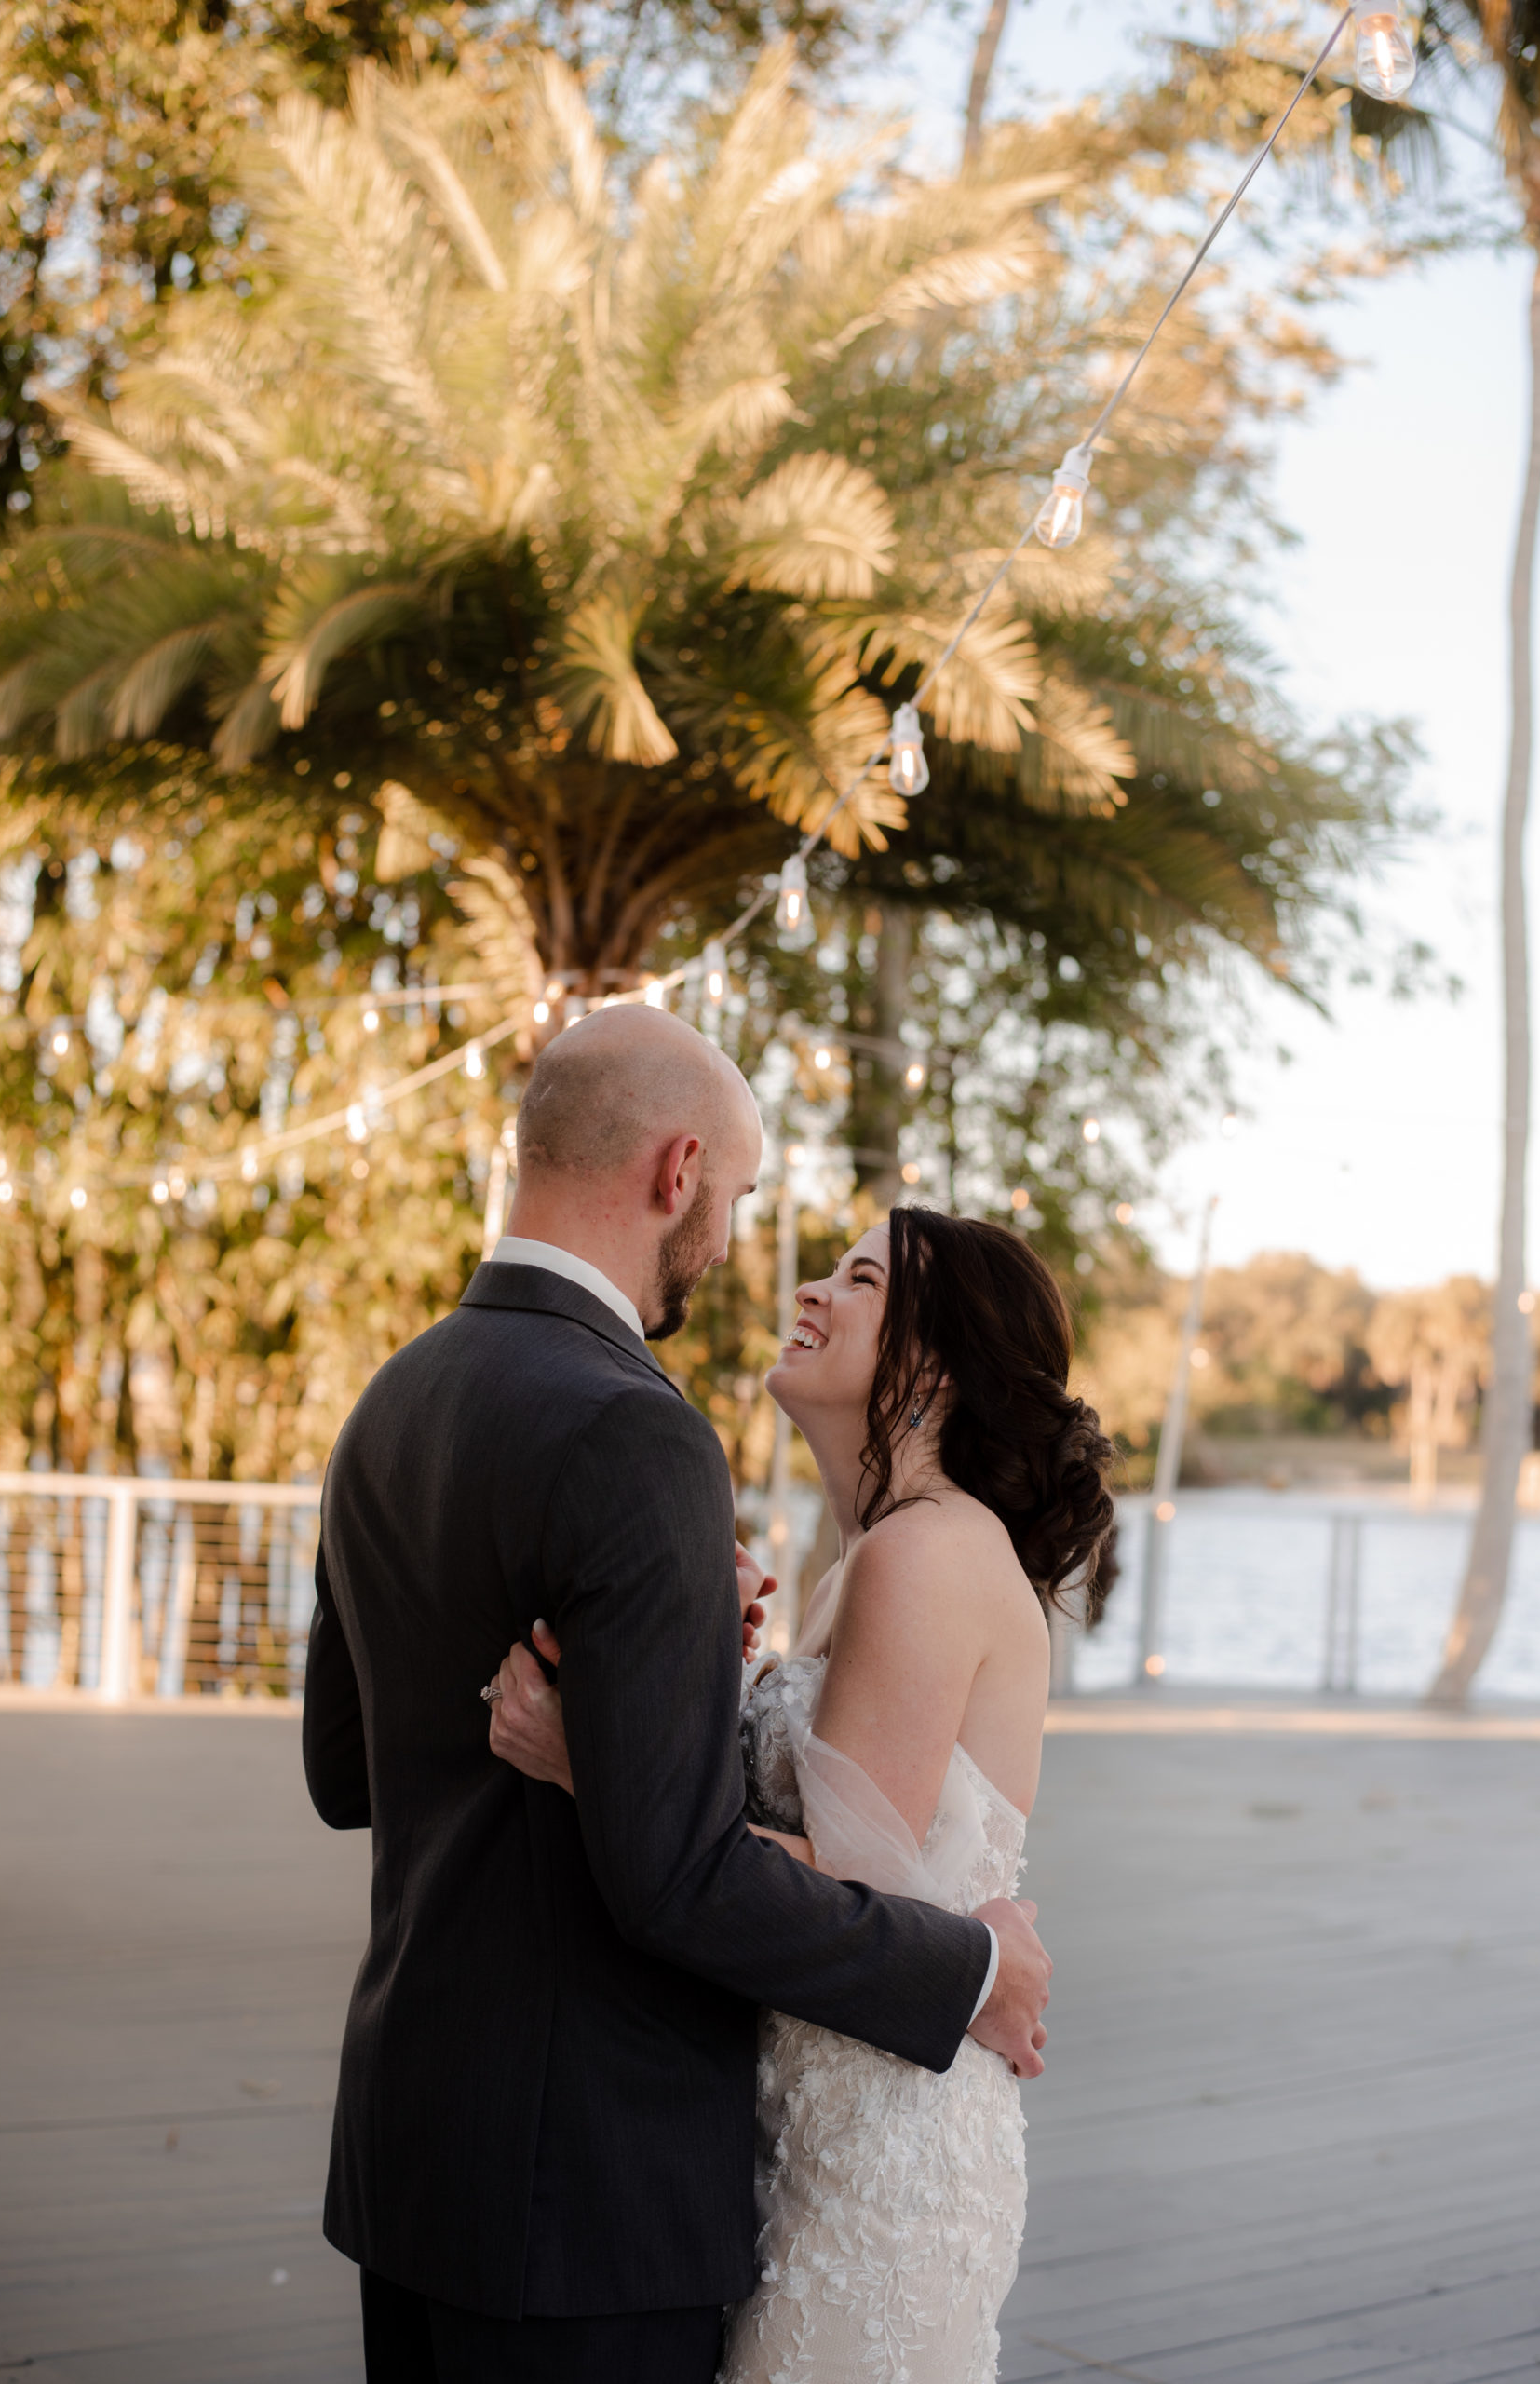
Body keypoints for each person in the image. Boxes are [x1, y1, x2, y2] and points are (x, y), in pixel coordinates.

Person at [302, 1003, 1053, 2384]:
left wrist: (667, 1681)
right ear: (676, 1172)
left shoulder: (389, 1404)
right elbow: (671, 1869)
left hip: (415, 2154)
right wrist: (973, 1970)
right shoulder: (633, 1428)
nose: (746, 1247)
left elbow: (343, 1774)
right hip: (587, 2190)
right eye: (743, 1198)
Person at [490, 1200, 1116, 2382]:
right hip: (809, 2118)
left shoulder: (919, 1556)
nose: (812, 1292)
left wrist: (590, 1765)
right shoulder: (860, 1562)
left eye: (861, 1280)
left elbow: (853, 1898)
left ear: (933, 1363)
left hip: (880, 2153)